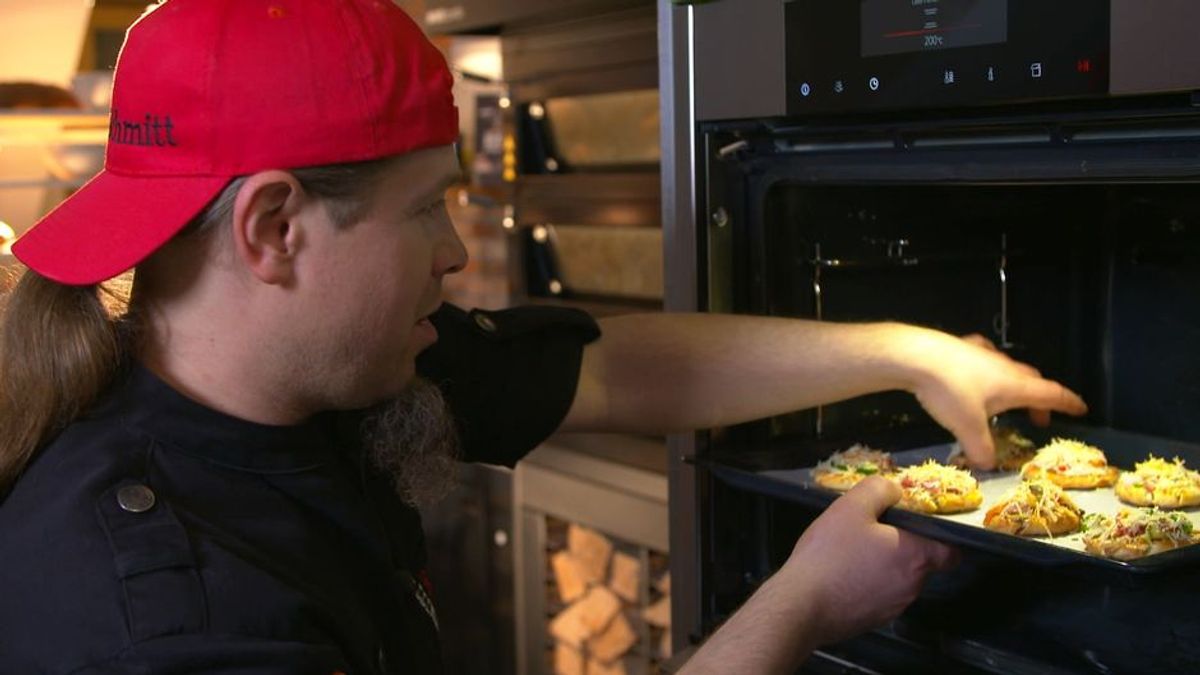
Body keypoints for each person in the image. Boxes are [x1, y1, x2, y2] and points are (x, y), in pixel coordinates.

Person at [0, 1, 1086, 673]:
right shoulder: (153, 615)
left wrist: (912, 351)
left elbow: (616, 370)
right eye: (428, 205)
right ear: (275, 229)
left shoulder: (304, 373)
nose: (458, 251)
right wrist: (802, 605)